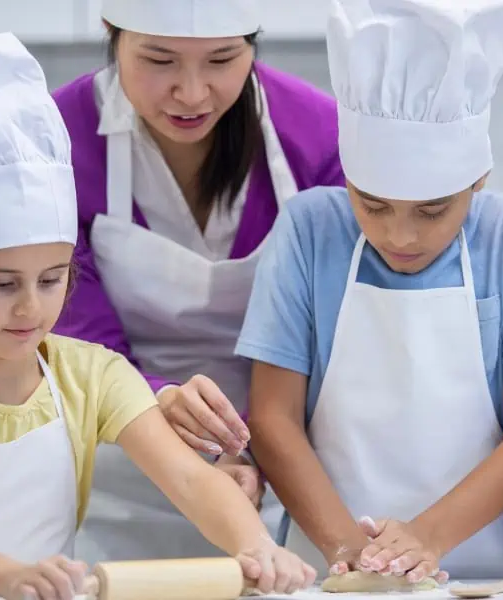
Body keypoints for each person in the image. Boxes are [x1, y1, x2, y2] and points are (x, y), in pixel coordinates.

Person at [0, 33, 316, 600]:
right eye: (1, 283)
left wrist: (253, 543)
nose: (30, 307)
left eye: (52, 278)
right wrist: (9, 577)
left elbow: (189, 477)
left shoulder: (92, 376)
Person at [236, 0, 503, 583]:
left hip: (479, 578)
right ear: (346, 174)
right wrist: (352, 553)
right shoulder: (307, 230)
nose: (400, 235)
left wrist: (426, 539)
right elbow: (272, 418)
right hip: (328, 573)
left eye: (432, 210)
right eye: (372, 204)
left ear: (478, 177)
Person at [51, 0, 343, 562]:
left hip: (285, 467)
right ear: (112, 31)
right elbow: (75, 340)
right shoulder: (56, 137)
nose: (191, 93)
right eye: (160, 60)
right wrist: (159, 402)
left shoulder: (319, 134)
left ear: (253, 44)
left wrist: (256, 447)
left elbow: (331, 334)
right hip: (119, 463)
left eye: (222, 60)